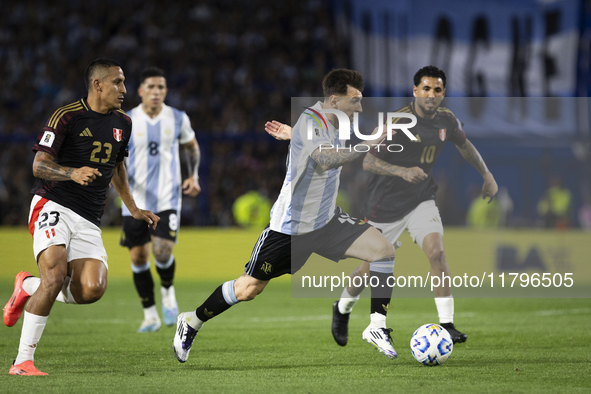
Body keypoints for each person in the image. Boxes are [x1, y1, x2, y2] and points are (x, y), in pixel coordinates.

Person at [173, 69, 401, 364]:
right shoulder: (311, 121)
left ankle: (376, 327)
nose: (359, 107)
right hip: (289, 230)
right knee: (248, 289)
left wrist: (293, 135)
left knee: (383, 251)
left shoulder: (332, 122)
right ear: (333, 99)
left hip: (326, 222)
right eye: (354, 101)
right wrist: (370, 143)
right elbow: (327, 159)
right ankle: (192, 321)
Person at [265, 66, 498, 345]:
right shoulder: (399, 121)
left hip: (421, 197)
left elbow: (465, 145)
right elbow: (368, 161)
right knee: (368, 270)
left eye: (437, 90)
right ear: (415, 91)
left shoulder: (447, 121)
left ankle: (446, 324)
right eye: (426, 88)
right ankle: (342, 308)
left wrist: (487, 175)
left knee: (436, 252)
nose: (431, 94)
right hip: (385, 205)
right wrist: (402, 171)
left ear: (443, 93)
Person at [2, 58, 160, 376]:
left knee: (91, 290)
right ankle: (22, 362)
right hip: (52, 204)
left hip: (89, 217)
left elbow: (117, 167)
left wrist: (132, 207)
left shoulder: (123, 123)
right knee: (56, 277)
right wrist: (72, 173)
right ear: (97, 85)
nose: (124, 89)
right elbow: (39, 166)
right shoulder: (67, 116)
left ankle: (27, 287)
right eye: (117, 82)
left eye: (124, 82)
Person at [120, 67, 201, 333]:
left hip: (168, 197)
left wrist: (194, 175)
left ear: (166, 91)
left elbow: (191, 146)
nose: (156, 92)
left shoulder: (177, 118)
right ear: (140, 90)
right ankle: (150, 315)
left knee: (162, 250)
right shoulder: (127, 119)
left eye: (161, 88)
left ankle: (168, 292)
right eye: (151, 87)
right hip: (134, 201)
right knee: (139, 257)